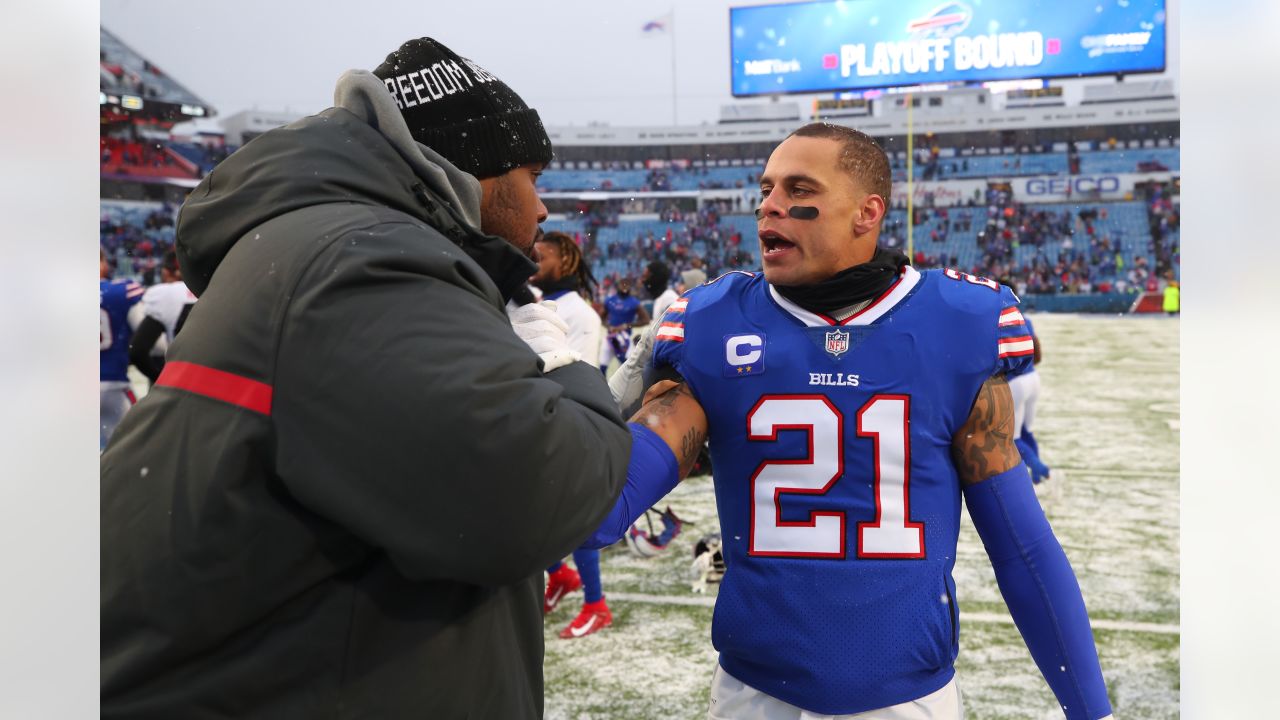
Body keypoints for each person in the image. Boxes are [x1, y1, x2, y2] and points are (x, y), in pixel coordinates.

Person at [100, 37, 704, 719]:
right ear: (475, 169)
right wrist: (637, 404)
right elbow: (543, 494)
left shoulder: (326, 244)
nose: (541, 210)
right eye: (531, 175)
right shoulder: (362, 261)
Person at [605, 123, 1112, 719]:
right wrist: (570, 408)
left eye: (799, 188)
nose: (770, 205)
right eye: (766, 188)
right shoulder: (714, 323)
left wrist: (1092, 710)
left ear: (867, 212)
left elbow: (1021, 546)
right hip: (754, 693)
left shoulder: (954, 321)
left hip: (905, 698)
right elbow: (600, 509)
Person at [529, 230, 613, 637]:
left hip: (566, 419)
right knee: (532, 516)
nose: (532, 259)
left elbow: (572, 371)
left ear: (565, 262)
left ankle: (596, 605)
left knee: (578, 521)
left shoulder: (578, 313)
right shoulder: (537, 301)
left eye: (541, 255)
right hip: (537, 417)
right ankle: (560, 576)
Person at [128, 249, 197, 385]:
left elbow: (137, 351)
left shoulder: (163, 294)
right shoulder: (211, 289)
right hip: (216, 379)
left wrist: (160, 379)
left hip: (181, 378)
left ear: (166, 271)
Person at [99, 248, 144, 449]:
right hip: (113, 385)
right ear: (101, 262)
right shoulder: (121, 292)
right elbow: (156, 344)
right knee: (132, 450)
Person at [600, 275, 649, 372]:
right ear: (618, 285)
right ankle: (602, 386)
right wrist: (609, 326)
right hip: (610, 337)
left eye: (627, 284)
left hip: (624, 339)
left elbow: (646, 320)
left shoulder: (634, 302)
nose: (624, 286)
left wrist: (627, 325)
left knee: (625, 368)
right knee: (602, 367)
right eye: (622, 283)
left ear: (630, 286)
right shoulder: (610, 300)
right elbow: (601, 318)